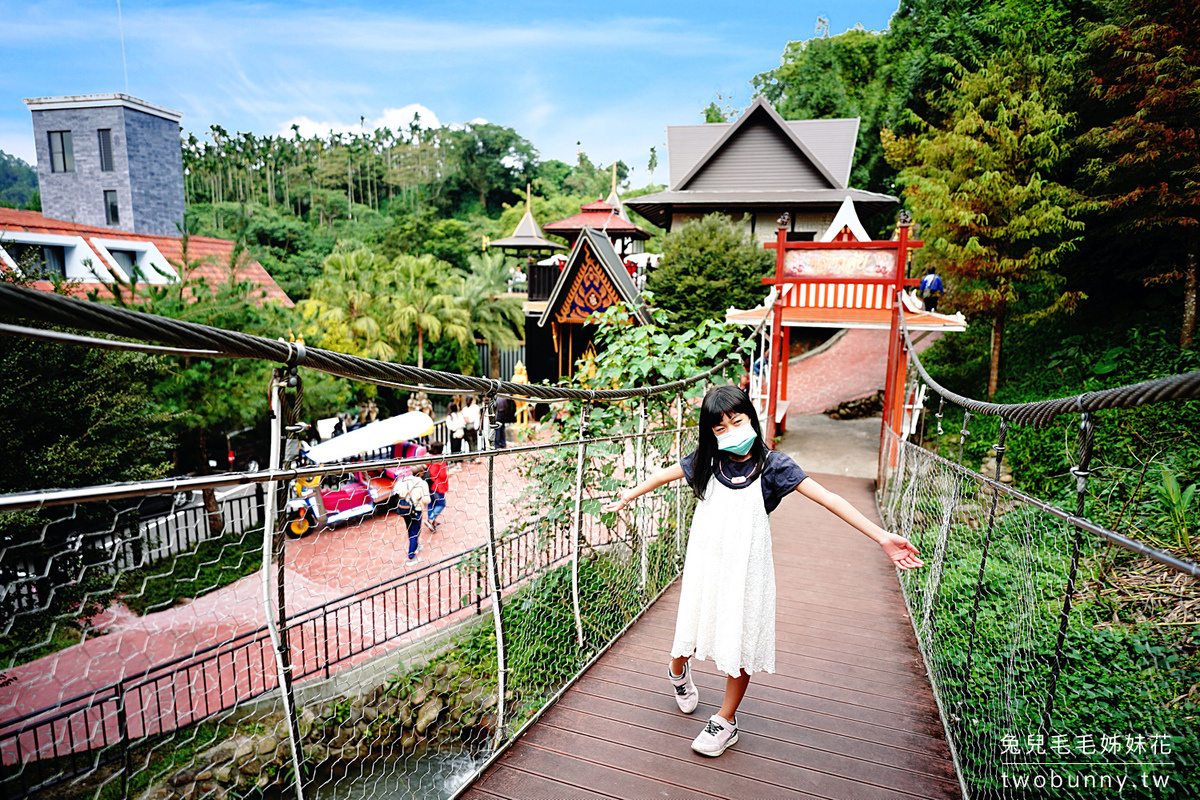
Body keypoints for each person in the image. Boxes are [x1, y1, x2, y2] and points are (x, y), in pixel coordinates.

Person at [602, 385, 924, 758]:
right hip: (706, 561)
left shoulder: (774, 466)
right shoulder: (708, 461)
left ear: (750, 419)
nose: (730, 432)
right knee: (689, 630)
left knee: (740, 637)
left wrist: (882, 537)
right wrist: (629, 494)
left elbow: (830, 498)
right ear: (710, 433)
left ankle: (726, 720)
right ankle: (678, 673)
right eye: (720, 429)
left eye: (737, 422)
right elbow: (662, 475)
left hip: (747, 569)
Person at [394, 466, 431, 563]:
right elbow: (427, 500)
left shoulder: (404, 480)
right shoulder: (422, 483)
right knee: (415, 530)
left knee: (410, 528)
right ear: (421, 473)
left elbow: (400, 493)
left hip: (406, 509)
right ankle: (411, 556)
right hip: (416, 510)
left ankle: (416, 545)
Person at [426, 441, 449, 531]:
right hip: (438, 485)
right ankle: (431, 519)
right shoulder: (441, 460)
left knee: (430, 503)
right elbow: (443, 475)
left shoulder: (429, 458)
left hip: (429, 484)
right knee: (441, 504)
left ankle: (431, 520)